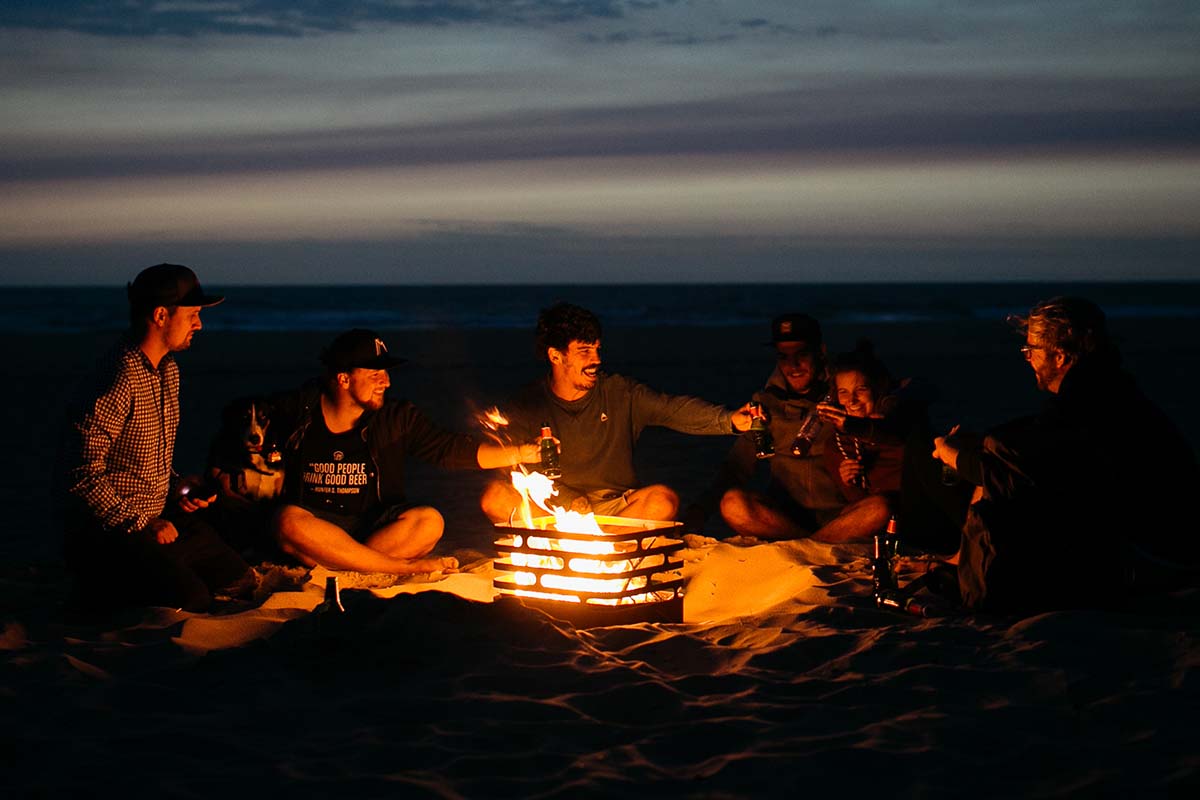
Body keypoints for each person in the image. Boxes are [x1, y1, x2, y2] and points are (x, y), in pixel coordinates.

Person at [932, 296, 1197, 611]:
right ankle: (965, 564)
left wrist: (952, 455)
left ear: (1059, 357)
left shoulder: (1089, 404)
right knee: (996, 447)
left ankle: (974, 578)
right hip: (1154, 544)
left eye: (1031, 351)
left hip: (1147, 555)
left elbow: (1016, 481)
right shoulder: (1105, 389)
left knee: (999, 465)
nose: (1027, 359)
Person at [58, 264, 254, 613]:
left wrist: (180, 488)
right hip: (113, 529)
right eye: (192, 314)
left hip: (158, 518)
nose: (200, 324)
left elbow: (145, 460)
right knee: (190, 599)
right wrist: (139, 523)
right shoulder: (119, 378)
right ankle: (97, 589)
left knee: (238, 580)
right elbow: (79, 473)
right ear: (161, 315)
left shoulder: (168, 370)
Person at [269, 328, 541, 575]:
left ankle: (350, 562)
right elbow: (246, 435)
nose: (385, 382)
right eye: (375, 374)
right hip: (316, 524)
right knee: (288, 520)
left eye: (386, 374)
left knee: (429, 522)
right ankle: (394, 567)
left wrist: (519, 453)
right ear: (343, 379)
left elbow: (449, 449)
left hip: (372, 529)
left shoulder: (396, 418)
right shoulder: (297, 412)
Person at [480, 302, 753, 523]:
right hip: (552, 511)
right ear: (556, 356)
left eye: (597, 349)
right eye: (584, 351)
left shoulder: (621, 393)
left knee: (662, 500)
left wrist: (728, 420)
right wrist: (565, 500)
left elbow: (673, 409)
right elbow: (507, 466)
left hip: (617, 510)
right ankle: (582, 547)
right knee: (495, 497)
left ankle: (593, 550)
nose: (596, 360)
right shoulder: (528, 403)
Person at [689, 314, 846, 540]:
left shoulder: (844, 394)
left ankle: (810, 544)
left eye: (801, 354)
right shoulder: (766, 405)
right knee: (733, 504)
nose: (793, 366)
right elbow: (736, 468)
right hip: (784, 519)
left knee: (880, 507)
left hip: (839, 515)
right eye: (784, 357)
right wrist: (700, 511)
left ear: (820, 351)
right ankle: (815, 544)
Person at [815, 341, 968, 551]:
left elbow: (895, 430)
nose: (852, 400)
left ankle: (809, 546)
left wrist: (857, 425)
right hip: (878, 526)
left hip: (919, 519)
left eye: (861, 389)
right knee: (870, 509)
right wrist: (849, 481)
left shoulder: (901, 422)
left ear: (877, 390)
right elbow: (858, 507)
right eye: (843, 392)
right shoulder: (837, 444)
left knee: (882, 506)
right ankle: (809, 546)